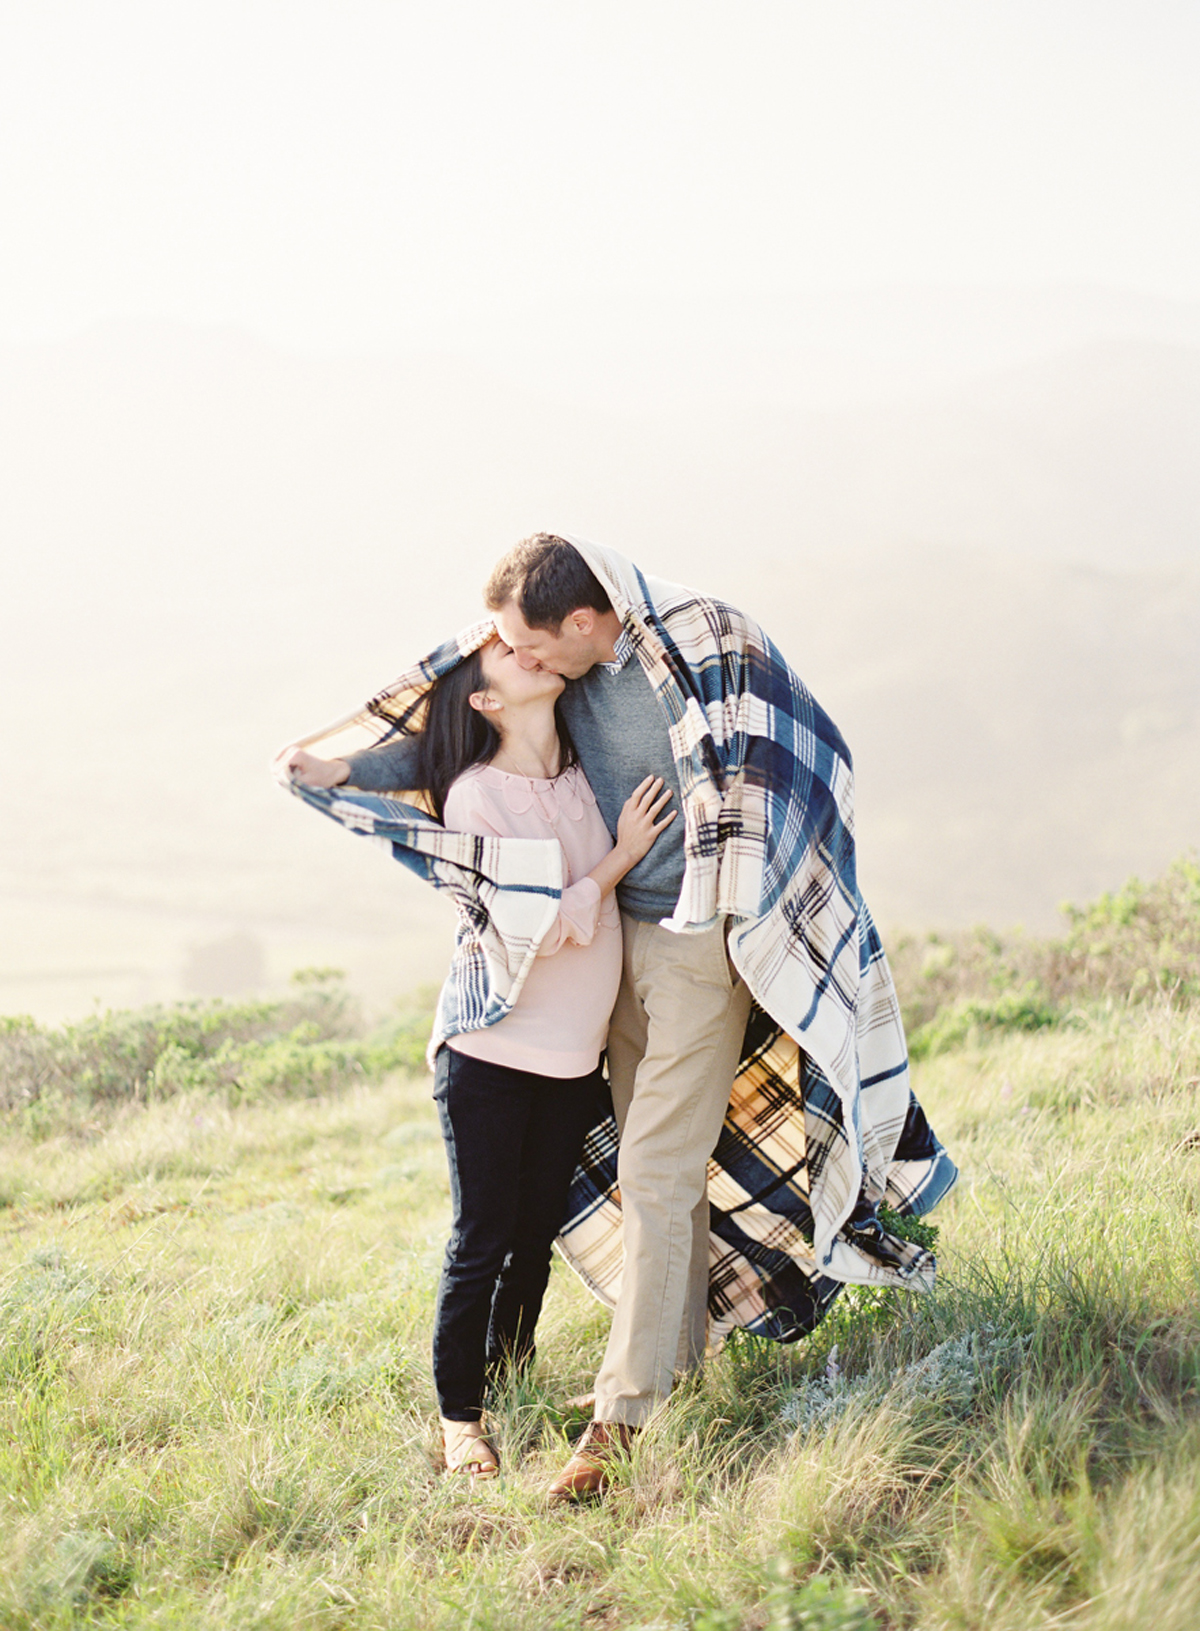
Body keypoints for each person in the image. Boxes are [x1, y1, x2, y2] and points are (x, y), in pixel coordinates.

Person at [283, 533, 957, 1504]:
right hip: (614, 952)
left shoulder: (708, 643)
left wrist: (751, 896)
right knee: (658, 1183)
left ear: (587, 623)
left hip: (698, 947)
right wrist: (341, 768)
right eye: (513, 649)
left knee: (655, 1170)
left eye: (537, 646)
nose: (525, 660)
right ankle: (678, 1366)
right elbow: (451, 734)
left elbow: (812, 753)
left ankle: (622, 1416)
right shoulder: (550, 674)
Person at [280, 633, 673, 1484]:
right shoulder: (473, 799)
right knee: (482, 1236)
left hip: (574, 1057)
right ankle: (462, 1419)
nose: (527, 655)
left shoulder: (579, 769)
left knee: (533, 1235)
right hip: (491, 1052)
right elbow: (543, 920)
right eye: (506, 657)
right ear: (486, 702)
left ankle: (511, 1380)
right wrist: (622, 857)